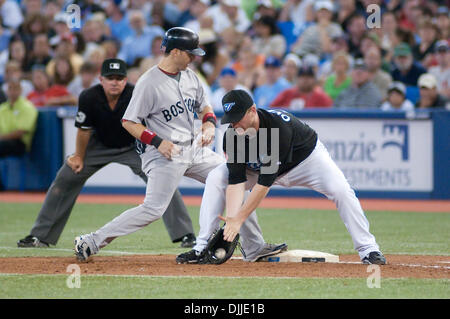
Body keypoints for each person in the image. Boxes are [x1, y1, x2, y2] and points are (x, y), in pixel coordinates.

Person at [73, 27, 284, 263]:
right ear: (174, 51)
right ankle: (92, 240)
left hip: (193, 149)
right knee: (153, 209)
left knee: (232, 179)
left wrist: (209, 126)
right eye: (190, 53)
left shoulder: (191, 76)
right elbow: (129, 122)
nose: (194, 57)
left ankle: (254, 247)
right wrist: (157, 141)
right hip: (163, 153)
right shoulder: (148, 83)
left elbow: (205, 108)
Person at [17, 58, 197, 248]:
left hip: (134, 146)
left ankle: (186, 234)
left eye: (119, 78)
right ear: (100, 79)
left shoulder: (137, 93)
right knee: (66, 177)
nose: (115, 82)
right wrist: (78, 156)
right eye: (110, 78)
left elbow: (153, 122)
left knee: (164, 179)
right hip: (99, 145)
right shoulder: (88, 96)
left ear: (126, 80)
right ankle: (40, 236)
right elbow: (84, 130)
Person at [202, 89, 386, 265]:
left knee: (341, 191)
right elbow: (236, 182)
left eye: (237, 118)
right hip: (264, 168)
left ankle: (368, 249)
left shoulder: (276, 128)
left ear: (252, 111)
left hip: (306, 162)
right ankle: (203, 246)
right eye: (230, 120)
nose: (234, 124)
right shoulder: (234, 135)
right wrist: (232, 221)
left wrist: (239, 220)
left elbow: (263, 185)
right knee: (219, 176)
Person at [0, 79, 37, 158]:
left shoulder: (27, 107)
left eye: (16, 88)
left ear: (21, 90)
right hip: (3, 140)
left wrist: (1, 137)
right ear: (7, 90)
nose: (13, 91)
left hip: (19, 144)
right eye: (10, 88)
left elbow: (20, 133)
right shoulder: (2, 108)